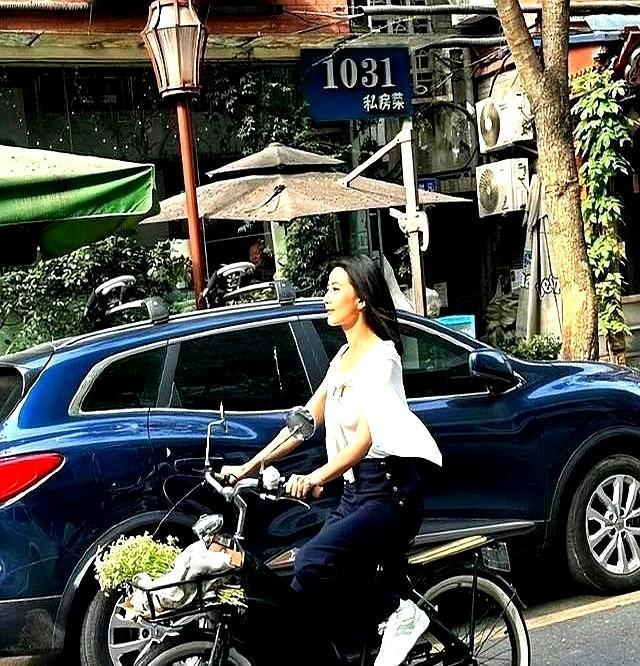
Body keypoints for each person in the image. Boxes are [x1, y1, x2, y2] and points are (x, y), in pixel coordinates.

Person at [221, 254, 442, 666]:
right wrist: (247, 468)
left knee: (311, 563)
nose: (325, 297)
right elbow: (303, 423)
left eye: (335, 289)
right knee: (303, 592)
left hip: (390, 494)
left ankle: (400, 611)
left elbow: (364, 440)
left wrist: (315, 476)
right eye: (327, 289)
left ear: (361, 299)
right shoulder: (342, 359)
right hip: (357, 495)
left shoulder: (383, 360)